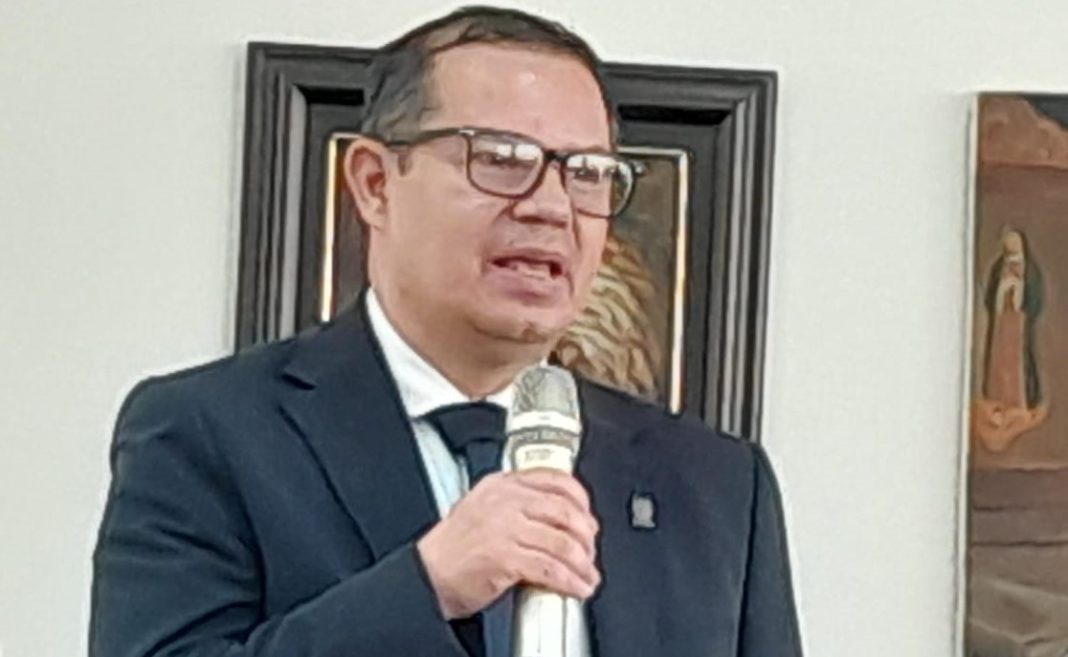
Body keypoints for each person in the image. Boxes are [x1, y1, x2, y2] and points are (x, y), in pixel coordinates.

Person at [89, 7, 802, 657]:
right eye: (500, 159)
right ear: (374, 183)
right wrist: (427, 586)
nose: (553, 207)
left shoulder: (717, 484)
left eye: (586, 173)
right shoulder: (207, 431)